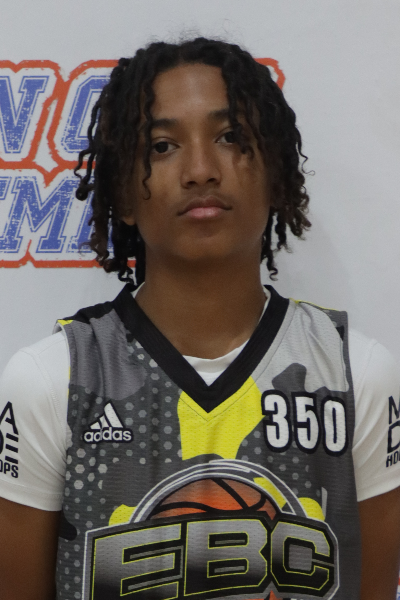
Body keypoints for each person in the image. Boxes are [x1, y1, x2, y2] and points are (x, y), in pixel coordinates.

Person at [0, 37, 399, 600]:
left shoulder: (356, 373)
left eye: (230, 137)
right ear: (124, 197)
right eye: (162, 146)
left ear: (276, 172)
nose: (200, 170)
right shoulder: (52, 381)